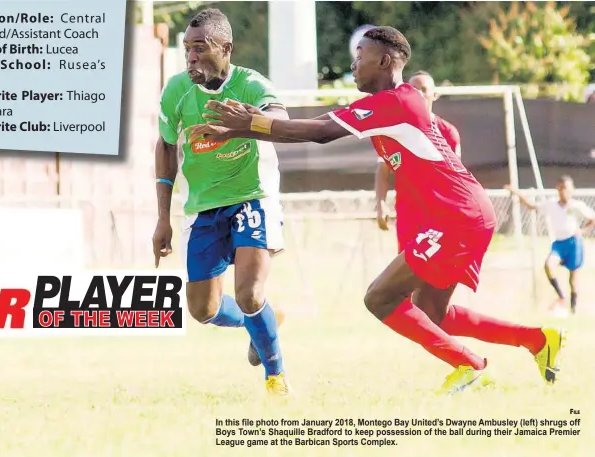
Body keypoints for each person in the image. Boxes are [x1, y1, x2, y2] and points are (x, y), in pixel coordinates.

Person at [188, 26, 565, 394]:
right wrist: (248, 124)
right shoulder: (382, 105)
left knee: (379, 298)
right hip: (460, 214)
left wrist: (247, 125)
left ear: (384, 61)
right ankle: (538, 340)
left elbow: (319, 135)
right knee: (432, 313)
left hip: (457, 217)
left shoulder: (397, 102)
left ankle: (468, 364)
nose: (353, 65)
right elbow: (319, 124)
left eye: (359, 57)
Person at [152, 8, 293, 396]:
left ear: (226, 48)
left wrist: (241, 124)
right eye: (187, 50)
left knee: (248, 293)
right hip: (202, 208)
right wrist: (162, 218)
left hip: (252, 197)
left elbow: (279, 115)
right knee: (203, 310)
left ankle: (275, 378)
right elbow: (165, 145)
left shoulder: (250, 85)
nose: (192, 57)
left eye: (201, 48)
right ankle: (265, 319)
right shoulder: (177, 91)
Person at [375, 70, 461, 253]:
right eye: (413, 89)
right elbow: (383, 170)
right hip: (408, 216)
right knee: (408, 272)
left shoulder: (448, 133)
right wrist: (381, 204)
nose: (419, 93)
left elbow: (457, 180)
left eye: (424, 89)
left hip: (440, 217)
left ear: (434, 94)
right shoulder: (395, 132)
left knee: (439, 276)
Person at [506, 176, 594, 314]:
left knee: (573, 280)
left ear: (572, 190)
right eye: (561, 188)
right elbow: (531, 206)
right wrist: (516, 191)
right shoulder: (551, 204)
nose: (564, 191)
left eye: (567, 188)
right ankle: (561, 296)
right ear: (558, 189)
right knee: (548, 265)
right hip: (559, 243)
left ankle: (573, 311)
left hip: (574, 243)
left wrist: (582, 231)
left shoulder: (577, 205)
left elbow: (592, 219)